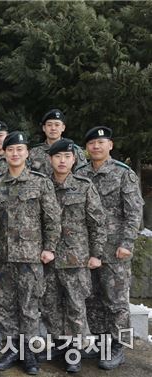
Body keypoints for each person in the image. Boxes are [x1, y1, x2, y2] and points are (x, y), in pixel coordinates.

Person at [0, 131, 61, 375]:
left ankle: (29, 351)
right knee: (4, 305)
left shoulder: (40, 182)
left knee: (30, 306)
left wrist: (50, 247)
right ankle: (11, 349)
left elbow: (52, 218)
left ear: (27, 153)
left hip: (31, 257)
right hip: (1, 257)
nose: (15, 153)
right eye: (10, 150)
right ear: (5, 154)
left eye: (20, 149)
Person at [75, 126, 144, 370]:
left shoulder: (123, 174)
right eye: (92, 143)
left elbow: (134, 212)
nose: (96, 146)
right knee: (92, 299)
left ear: (110, 146)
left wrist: (127, 243)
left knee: (116, 301)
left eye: (101, 142)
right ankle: (101, 344)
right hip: (88, 250)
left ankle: (118, 347)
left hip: (115, 250)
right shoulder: (81, 173)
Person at [39, 138, 106, 373]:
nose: (62, 161)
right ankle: (60, 344)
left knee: (76, 307)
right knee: (50, 306)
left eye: (67, 157)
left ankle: (75, 352)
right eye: (58, 157)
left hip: (76, 260)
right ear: (50, 160)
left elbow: (97, 223)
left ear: (74, 159)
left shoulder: (84, 186)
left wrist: (96, 254)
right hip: (48, 259)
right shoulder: (42, 185)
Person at [29, 109, 86, 175]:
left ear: (63, 128)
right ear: (44, 128)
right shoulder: (33, 152)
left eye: (57, 125)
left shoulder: (75, 151)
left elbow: (82, 177)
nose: (53, 128)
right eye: (49, 125)